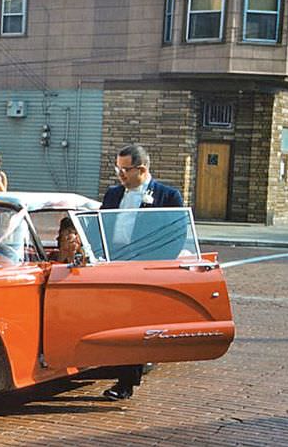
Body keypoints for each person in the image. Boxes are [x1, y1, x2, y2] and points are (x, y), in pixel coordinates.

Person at [100, 144, 183, 401]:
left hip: (144, 268)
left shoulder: (167, 196)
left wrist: (154, 265)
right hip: (114, 265)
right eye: (118, 169)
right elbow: (101, 225)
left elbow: (176, 236)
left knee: (133, 324)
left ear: (142, 169)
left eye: (125, 170)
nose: (120, 175)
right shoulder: (113, 194)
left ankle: (126, 382)